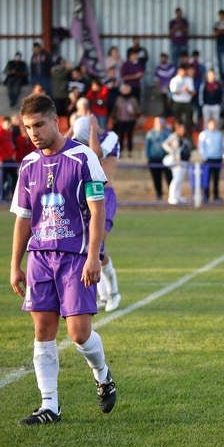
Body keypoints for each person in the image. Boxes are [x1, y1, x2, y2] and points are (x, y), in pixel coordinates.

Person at [9, 93, 117, 426]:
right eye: (28, 127)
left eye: (39, 125)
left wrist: (93, 256)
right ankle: (49, 405)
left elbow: (97, 210)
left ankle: (103, 374)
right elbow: (24, 217)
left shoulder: (83, 158)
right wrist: (15, 264)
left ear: (56, 121)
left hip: (74, 257)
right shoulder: (28, 165)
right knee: (43, 330)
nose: (34, 133)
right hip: (40, 257)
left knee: (79, 332)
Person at [71, 114, 122, 312]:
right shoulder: (80, 142)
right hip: (86, 196)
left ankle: (114, 293)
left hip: (105, 196)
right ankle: (102, 296)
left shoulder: (111, 136)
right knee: (88, 248)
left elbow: (96, 154)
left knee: (97, 246)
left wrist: (91, 129)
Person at [162, 121, 192, 205]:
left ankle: (177, 196)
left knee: (180, 180)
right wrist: (172, 152)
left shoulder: (184, 138)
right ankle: (172, 197)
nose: (183, 130)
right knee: (176, 179)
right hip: (177, 162)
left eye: (184, 129)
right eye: (181, 129)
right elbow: (164, 144)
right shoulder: (174, 136)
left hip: (184, 161)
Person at [197, 117, 224, 202]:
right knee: (207, 178)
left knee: (216, 179)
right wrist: (205, 157)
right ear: (208, 124)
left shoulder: (219, 134)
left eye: (214, 124)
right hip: (208, 159)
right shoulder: (203, 134)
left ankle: (216, 196)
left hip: (217, 159)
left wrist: (221, 155)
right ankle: (206, 196)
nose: (213, 125)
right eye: (211, 124)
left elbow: (221, 146)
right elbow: (201, 147)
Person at [145, 116, 172, 201]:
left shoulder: (168, 133)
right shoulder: (150, 134)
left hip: (166, 159)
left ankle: (172, 194)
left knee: (169, 177)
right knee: (157, 178)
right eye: (158, 122)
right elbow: (147, 147)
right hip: (154, 159)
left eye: (161, 122)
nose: (160, 124)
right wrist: (148, 157)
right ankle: (159, 195)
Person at [111, 84, 141, 158]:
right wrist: (114, 118)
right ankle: (120, 152)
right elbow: (115, 109)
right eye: (124, 89)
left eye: (127, 89)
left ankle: (130, 152)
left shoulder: (133, 99)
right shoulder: (119, 98)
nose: (125, 91)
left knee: (129, 136)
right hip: (120, 120)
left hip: (130, 120)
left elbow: (137, 110)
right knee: (120, 136)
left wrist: (134, 112)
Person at [0, 116, 18, 201]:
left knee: (15, 177)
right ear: (3, 123)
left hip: (10, 159)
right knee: (3, 179)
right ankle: (0, 197)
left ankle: (14, 196)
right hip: (3, 160)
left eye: (10, 124)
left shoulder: (9, 132)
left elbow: (10, 145)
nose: (9, 125)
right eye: (7, 124)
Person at [169, 65, 196, 136]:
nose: (183, 72)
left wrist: (187, 90)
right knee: (176, 120)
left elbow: (193, 93)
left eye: (184, 71)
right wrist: (182, 90)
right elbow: (172, 93)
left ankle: (187, 135)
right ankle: (175, 134)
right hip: (177, 102)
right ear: (179, 71)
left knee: (188, 120)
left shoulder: (189, 80)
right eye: (182, 71)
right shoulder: (174, 80)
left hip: (187, 102)